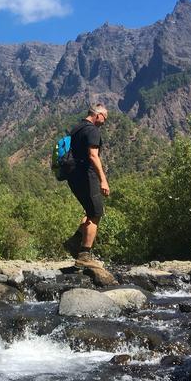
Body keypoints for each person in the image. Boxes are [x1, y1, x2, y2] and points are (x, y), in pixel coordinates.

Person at [62, 104, 110, 269]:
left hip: (73, 176)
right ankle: (84, 255)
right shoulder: (92, 130)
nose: (104, 122)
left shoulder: (77, 128)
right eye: (105, 118)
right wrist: (103, 179)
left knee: (90, 211)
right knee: (96, 213)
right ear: (98, 115)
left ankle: (74, 241)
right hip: (86, 176)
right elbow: (93, 156)